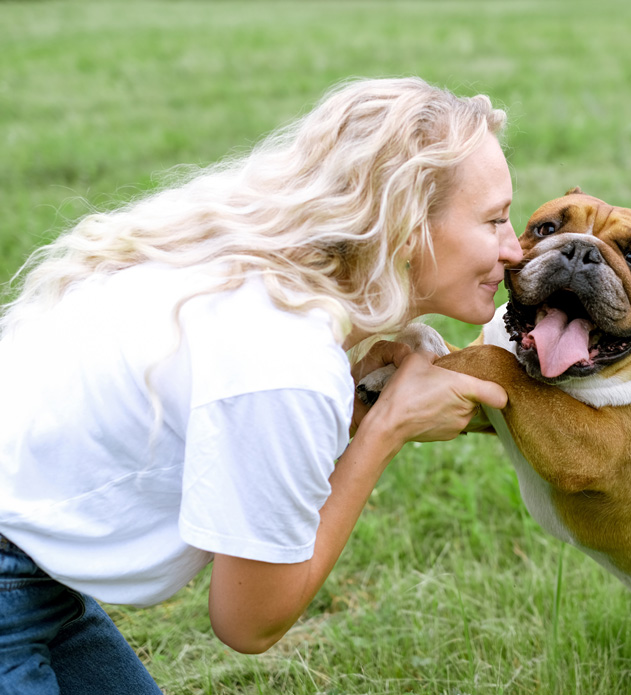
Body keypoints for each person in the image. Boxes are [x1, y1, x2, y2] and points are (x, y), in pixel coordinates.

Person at [0, 76, 522, 694]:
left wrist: (352, 407)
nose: (514, 250)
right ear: (407, 227)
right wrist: (387, 428)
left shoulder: (253, 268)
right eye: (494, 220)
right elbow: (249, 624)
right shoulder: (287, 360)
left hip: (38, 580)